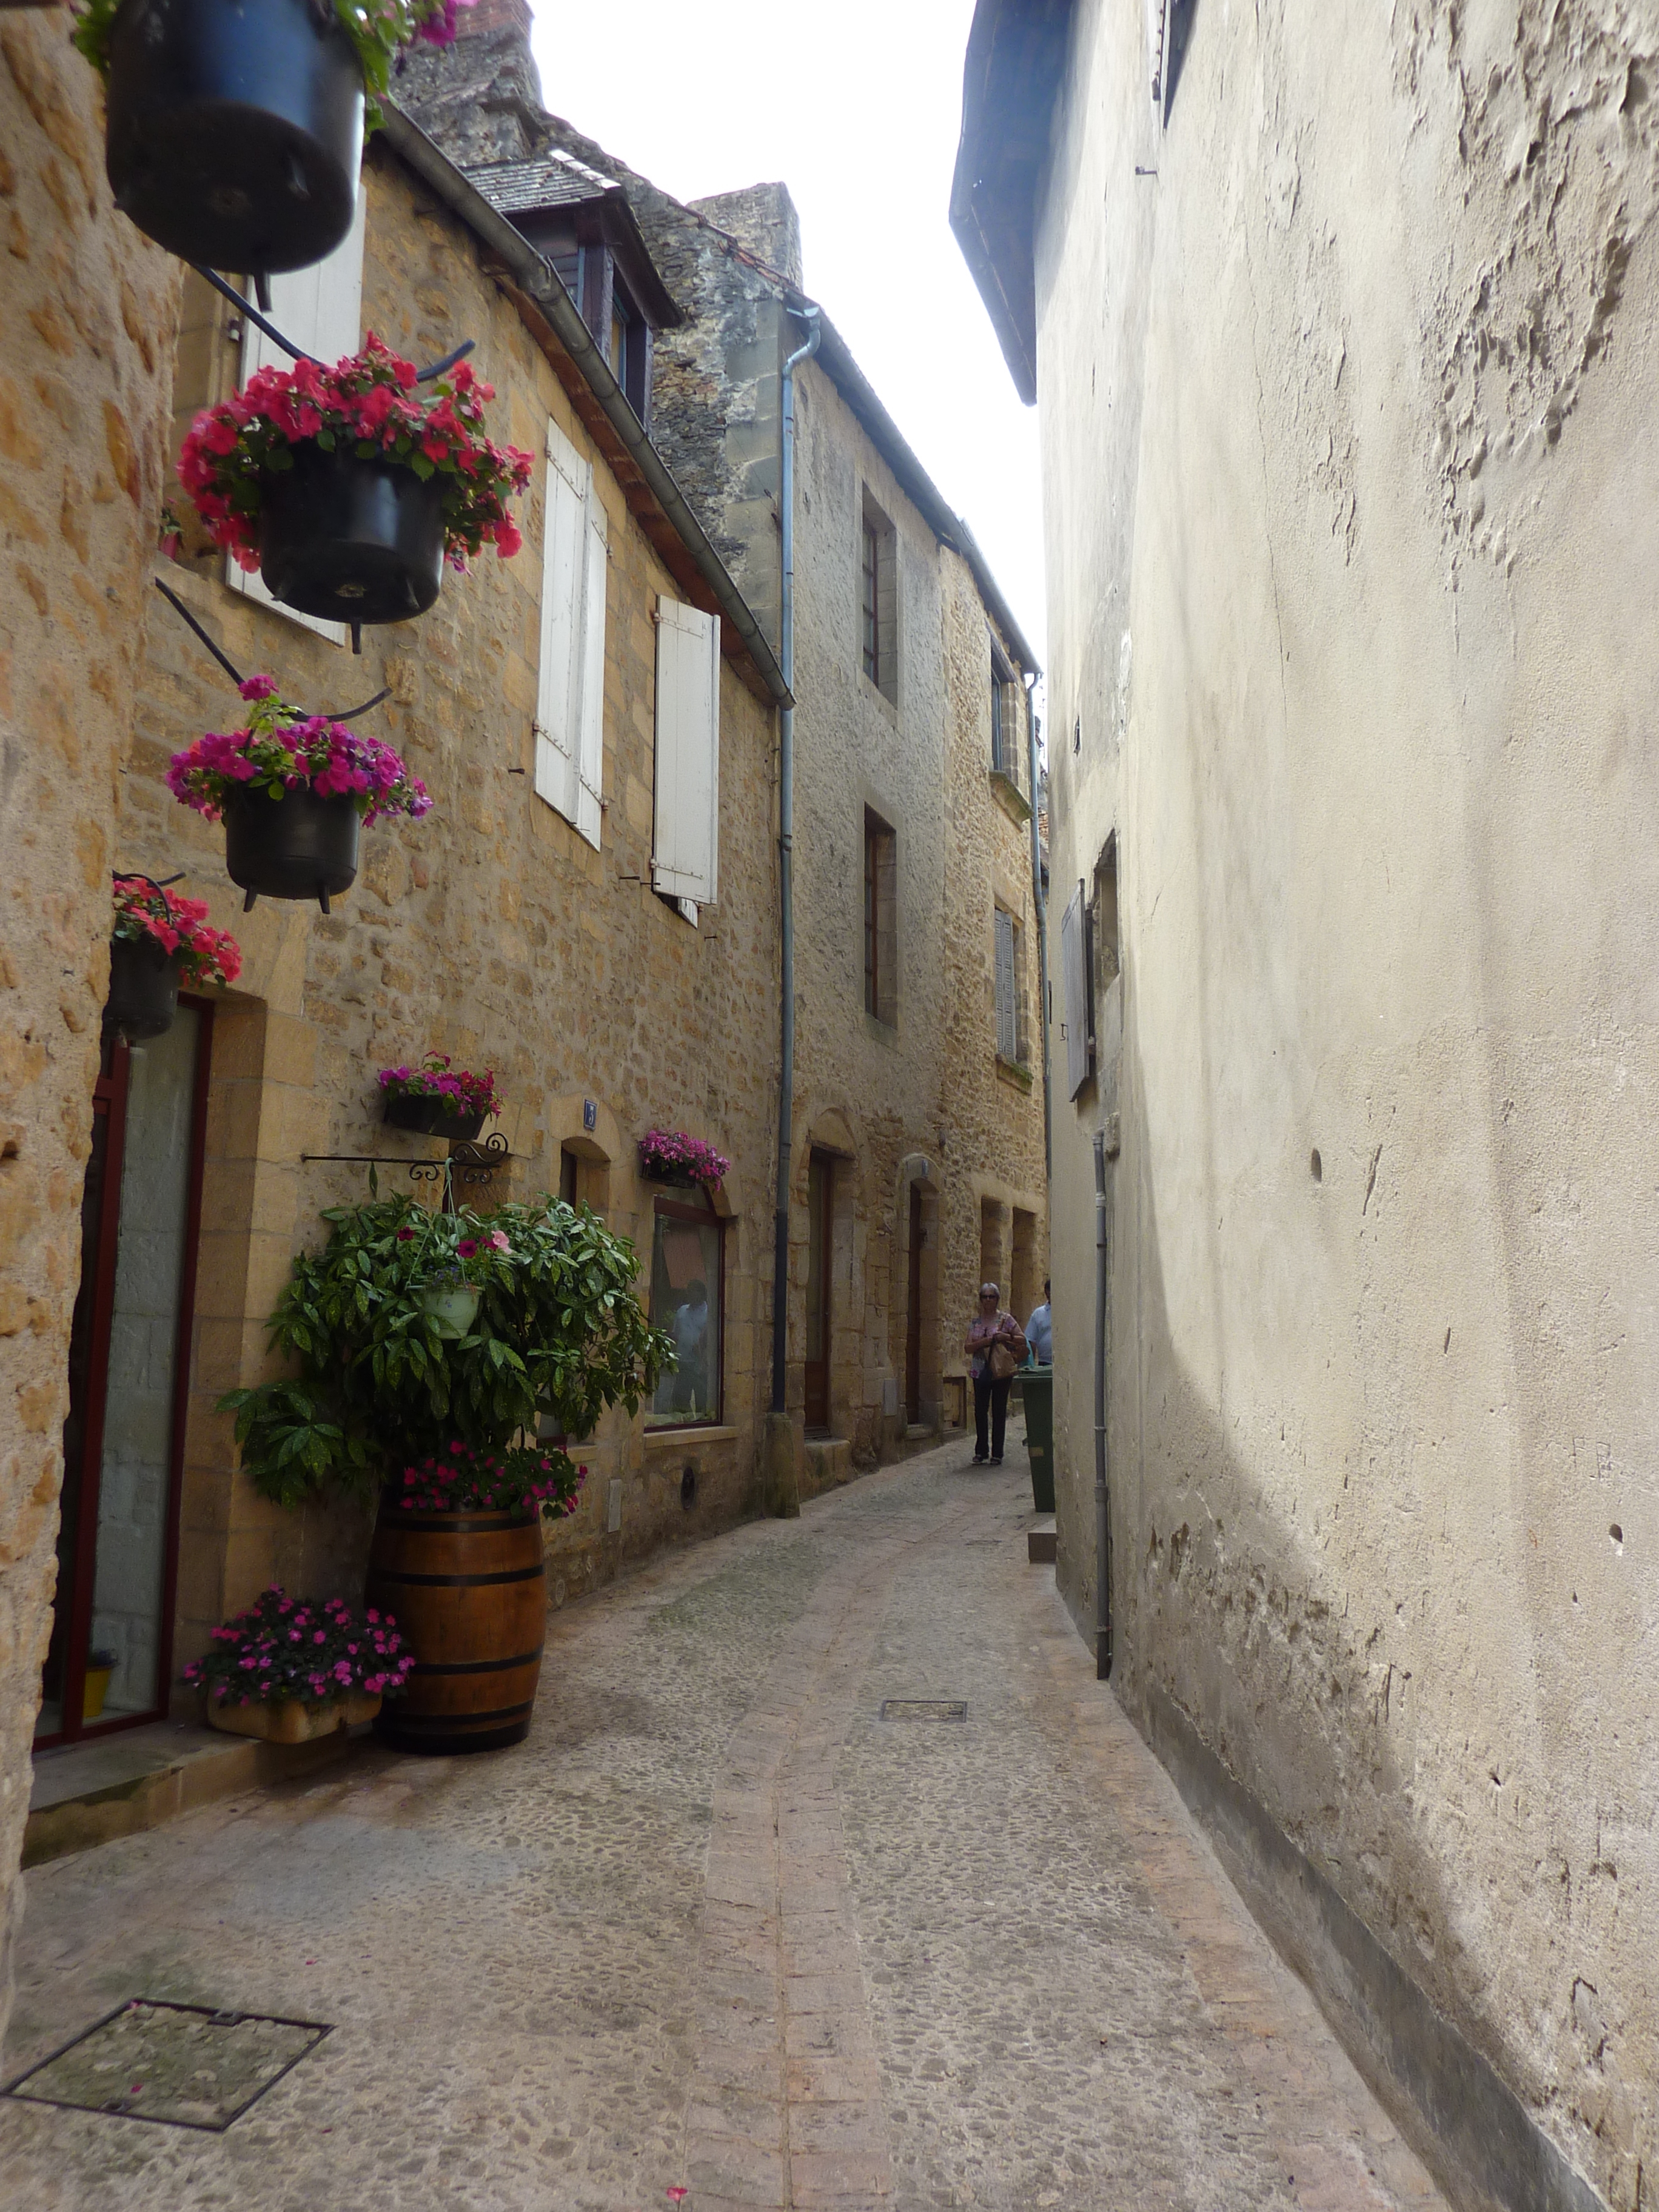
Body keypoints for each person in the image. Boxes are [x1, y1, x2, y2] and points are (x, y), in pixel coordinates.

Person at [964, 1282, 1025, 1466]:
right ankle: (981, 1450)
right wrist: (985, 1342)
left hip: (1001, 1371)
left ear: (997, 1299)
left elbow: (1022, 1340)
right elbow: (967, 1347)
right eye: (985, 1297)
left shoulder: (1006, 1320)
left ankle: (997, 1452)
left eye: (992, 1296)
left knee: (999, 1410)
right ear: (981, 1300)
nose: (988, 1300)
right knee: (980, 1410)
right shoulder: (975, 1322)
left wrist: (1006, 1337)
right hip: (980, 1370)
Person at [1025, 1279, 1053, 1366]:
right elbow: (1031, 1340)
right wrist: (1031, 1365)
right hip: (1045, 1362)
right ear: (1047, 1292)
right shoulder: (1038, 1314)